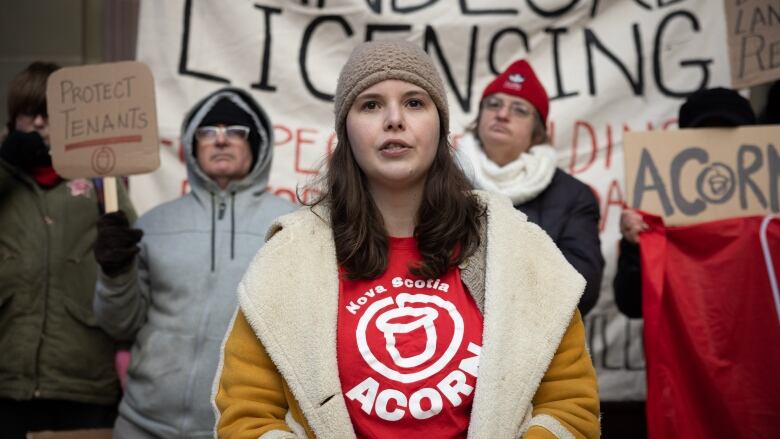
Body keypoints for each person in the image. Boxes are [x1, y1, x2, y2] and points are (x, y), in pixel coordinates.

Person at [214, 41, 599, 438]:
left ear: (441, 125)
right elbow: (248, 416)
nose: (394, 119)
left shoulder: (515, 247)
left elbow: (569, 406)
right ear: (346, 128)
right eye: (371, 105)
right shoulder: (291, 257)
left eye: (415, 103)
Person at [93, 87, 296, 438]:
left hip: (239, 429)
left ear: (257, 145)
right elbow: (119, 326)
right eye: (208, 132)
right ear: (192, 145)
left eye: (235, 131)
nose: (220, 141)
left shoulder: (289, 227)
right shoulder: (152, 225)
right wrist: (114, 274)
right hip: (140, 424)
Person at [0, 62, 135, 438]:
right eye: (31, 112)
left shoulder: (99, 179)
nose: (41, 123)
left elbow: (130, 253)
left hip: (82, 377)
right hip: (6, 375)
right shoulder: (4, 174)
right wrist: (5, 164)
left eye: (51, 114)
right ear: (14, 119)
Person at [455, 60, 604, 316]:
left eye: (519, 110)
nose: (502, 114)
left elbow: (583, 289)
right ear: (479, 117)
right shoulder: (442, 180)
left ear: (537, 131)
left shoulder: (574, 197)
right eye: (493, 104)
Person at [614, 87, 758, 318]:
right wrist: (635, 248)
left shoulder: (770, 217)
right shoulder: (659, 212)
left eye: (728, 136)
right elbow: (631, 304)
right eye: (705, 137)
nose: (718, 152)